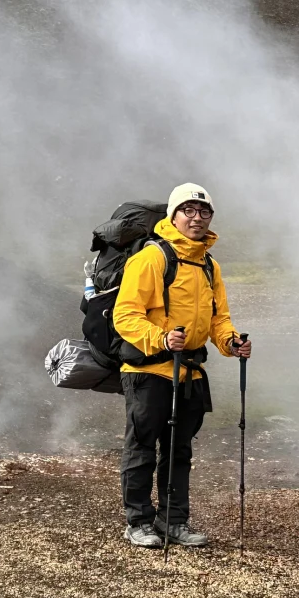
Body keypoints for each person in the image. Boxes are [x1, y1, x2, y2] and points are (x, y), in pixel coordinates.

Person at [112, 183, 251, 547]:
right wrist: (160, 339)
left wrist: (231, 342)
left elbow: (219, 318)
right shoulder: (152, 257)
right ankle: (138, 522)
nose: (197, 218)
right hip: (148, 370)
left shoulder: (209, 264)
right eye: (188, 210)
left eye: (204, 212)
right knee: (142, 446)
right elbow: (124, 315)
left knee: (179, 449)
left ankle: (173, 521)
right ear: (172, 215)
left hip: (189, 371)